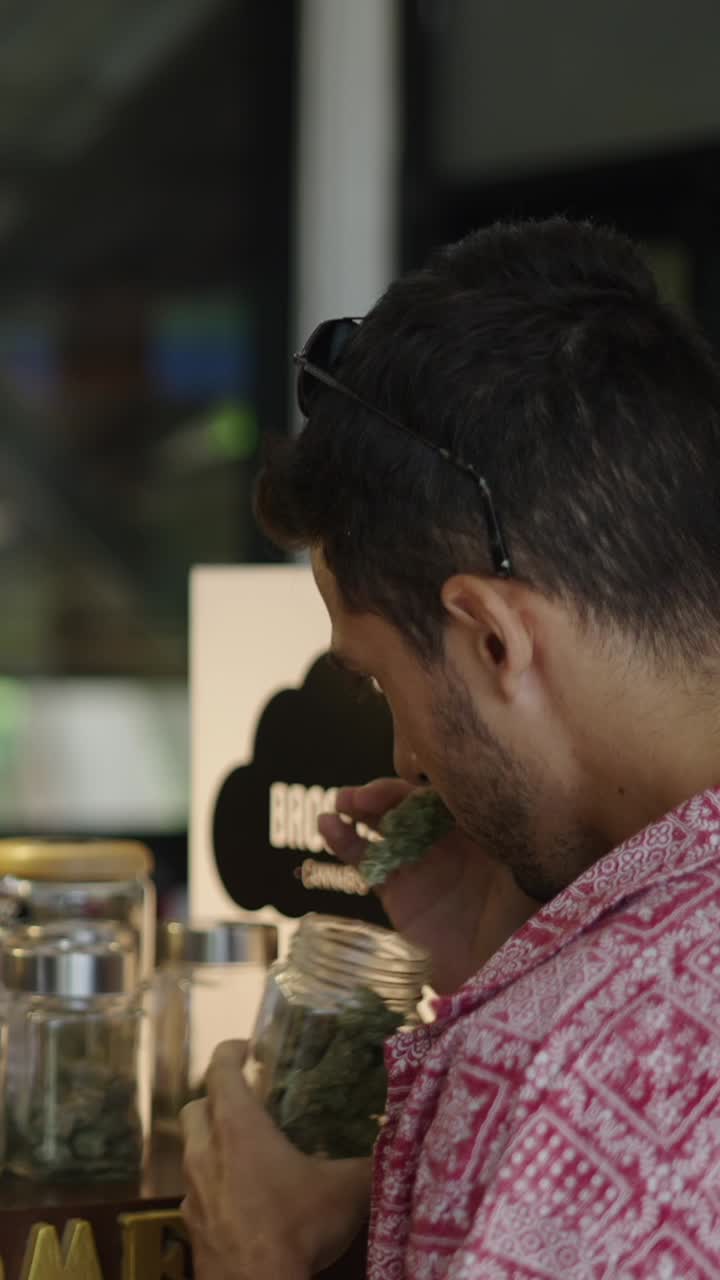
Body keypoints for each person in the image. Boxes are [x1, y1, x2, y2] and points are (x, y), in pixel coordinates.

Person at [181, 218, 720, 1278]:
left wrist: (262, 1262)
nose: (406, 751)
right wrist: (512, 965)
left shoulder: (581, 1071)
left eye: (382, 678)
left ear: (491, 636)